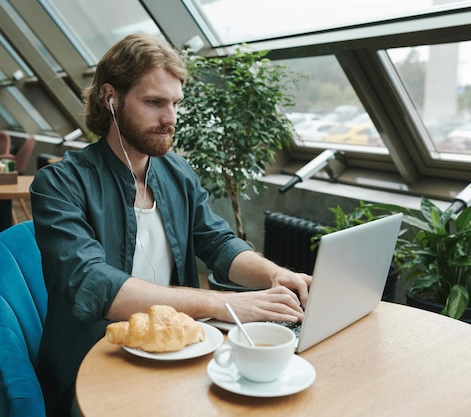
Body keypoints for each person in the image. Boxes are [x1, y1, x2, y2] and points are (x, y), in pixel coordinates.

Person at [30, 33, 312, 417]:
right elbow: (96, 286)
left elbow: (218, 242)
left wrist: (275, 274)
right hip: (93, 365)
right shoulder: (59, 184)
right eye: (154, 103)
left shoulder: (177, 172)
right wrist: (225, 304)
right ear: (110, 98)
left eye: (175, 103)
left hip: (180, 352)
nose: (171, 118)